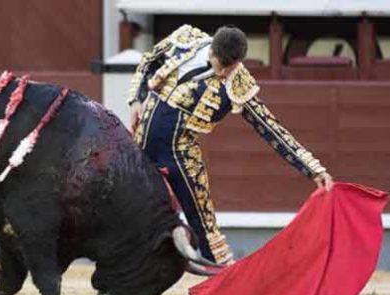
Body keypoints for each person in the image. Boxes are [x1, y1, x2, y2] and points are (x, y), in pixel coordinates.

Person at [128, 24, 334, 265]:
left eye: (231, 66)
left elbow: (270, 128)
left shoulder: (238, 81)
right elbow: (148, 60)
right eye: (222, 64)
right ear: (212, 51)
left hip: (180, 154)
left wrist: (312, 168)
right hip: (139, 143)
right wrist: (135, 99)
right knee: (126, 211)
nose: (225, 72)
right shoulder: (187, 39)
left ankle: (220, 291)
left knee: (204, 227)